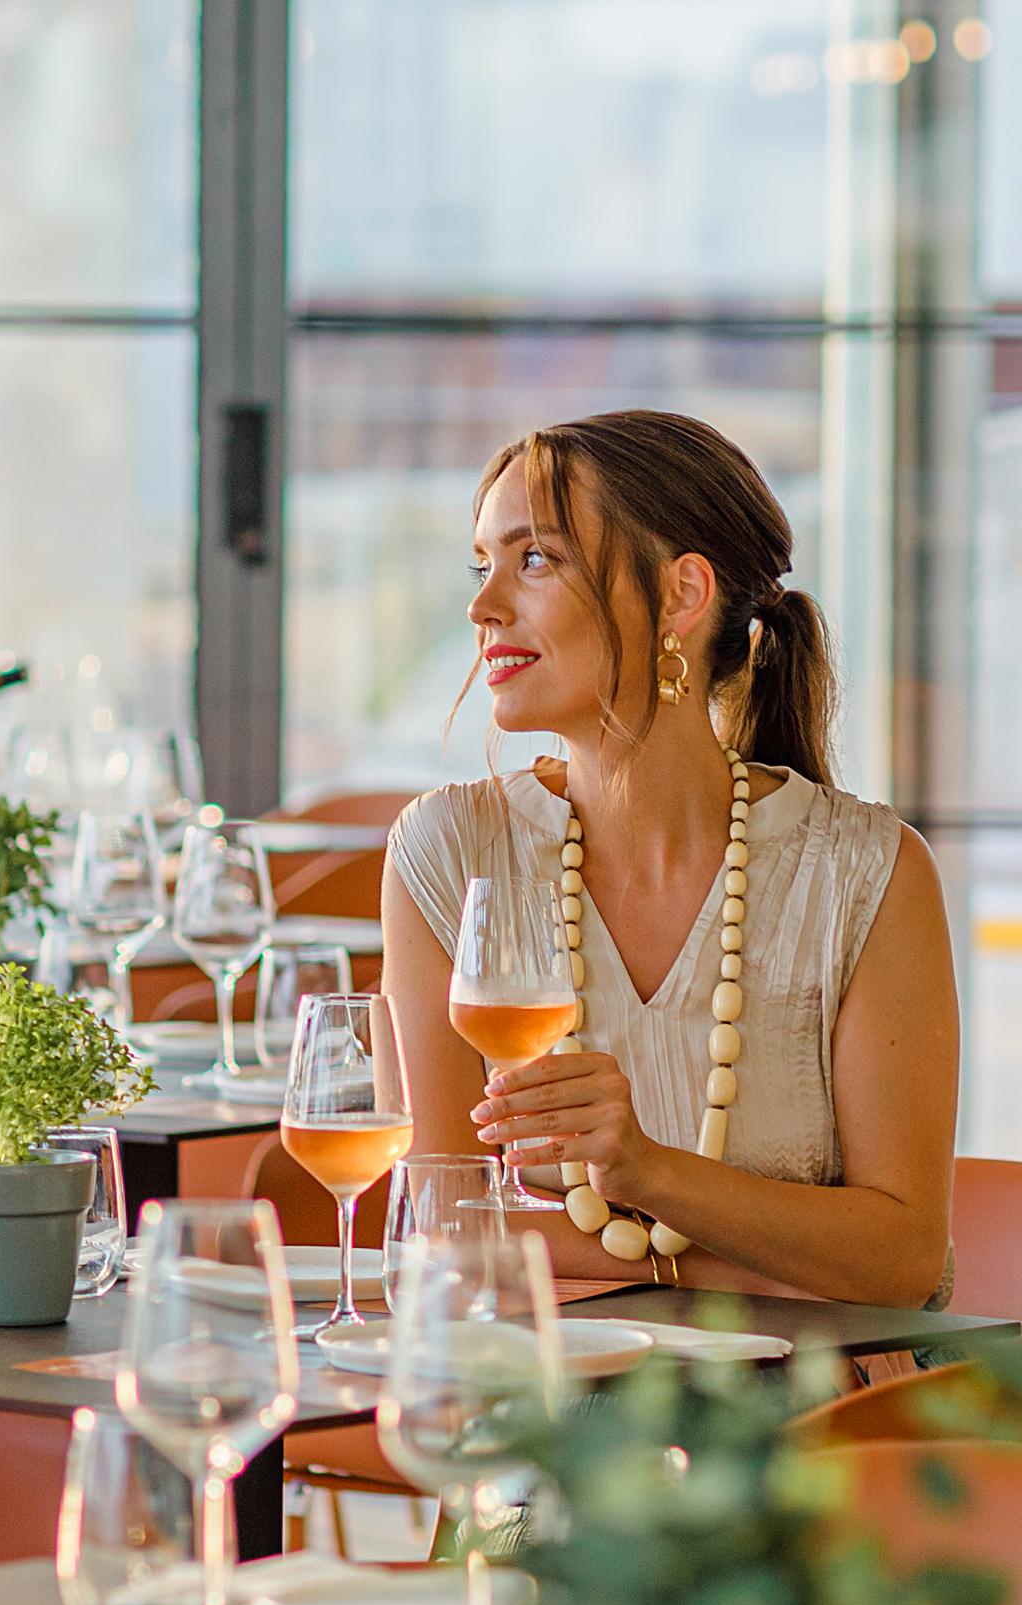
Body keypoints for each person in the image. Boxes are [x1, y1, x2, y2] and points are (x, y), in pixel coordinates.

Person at [378, 411, 962, 1308]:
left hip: (811, 1427)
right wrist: (746, 1264)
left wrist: (645, 1172)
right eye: (483, 563)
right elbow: (439, 1231)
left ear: (683, 596)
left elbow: (903, 1261)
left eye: (536, 559)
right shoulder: (449, 854)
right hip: (537, 1409)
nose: (483, 605)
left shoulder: (869, 872)